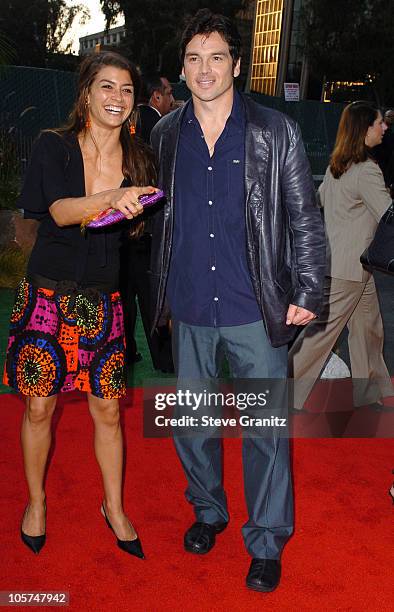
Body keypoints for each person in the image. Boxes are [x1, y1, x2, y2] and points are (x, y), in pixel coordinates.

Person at [150, 9, 325, 593]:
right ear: (182, 69)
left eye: (217, 57)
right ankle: (208, 511)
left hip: (256, 303)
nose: (205, 69)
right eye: (194, 58)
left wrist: (308, 288)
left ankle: (267, 539)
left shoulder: (275, 131)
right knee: (193, 425)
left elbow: (304, 215)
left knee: (264, 429)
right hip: (191, 303)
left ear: (237, 65)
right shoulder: (165, 133)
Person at [3, 51, 157, 557]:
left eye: (127, 90)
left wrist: (138, 205)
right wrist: (114, 198)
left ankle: (113, 507)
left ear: (135, 102)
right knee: (40, 406)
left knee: (108, 412)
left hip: (104, 301)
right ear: (87, 93)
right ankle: (36, 502)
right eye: (107, 87)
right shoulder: (54, 147)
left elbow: (138, 228)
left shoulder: (138, 158)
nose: (117, 98)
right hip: (47, 295)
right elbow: (60, 212)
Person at [289, 101, 393, 413]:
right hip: (349, 268)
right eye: (379, 123)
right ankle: (282, 393)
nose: (384, 127)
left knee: (367, 329)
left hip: (348, 265)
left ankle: (370, 393)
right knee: (318, 335)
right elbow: (387, 214)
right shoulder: (367, 170)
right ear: (364, 130)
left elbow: (322, 204)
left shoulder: (339, 167)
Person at [120, 72, 175, 372]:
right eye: (168, 93)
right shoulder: (161, 128)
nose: (172, 98)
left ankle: (127, 351)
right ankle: (164, 358)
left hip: (125, 227)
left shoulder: (130, 129)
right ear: (156, 96)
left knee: (126, 294)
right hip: (147, 225)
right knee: (152, 294)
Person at [136, 73, 174, 143]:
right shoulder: (162, 128)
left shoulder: (129, 119)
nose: (172, 100)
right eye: (169, 94)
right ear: (157, 97)